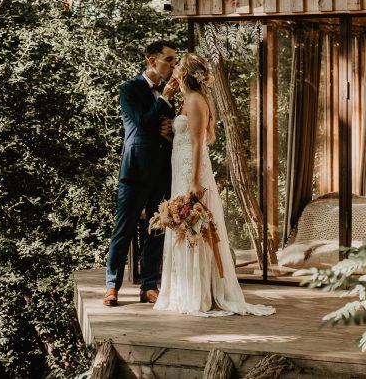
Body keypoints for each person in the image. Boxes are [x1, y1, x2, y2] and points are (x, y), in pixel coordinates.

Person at [154, 53, 275, 317]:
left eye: (177, 67)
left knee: (195, 226)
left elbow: (199, 143)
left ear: (185, 74)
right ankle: (185, 289)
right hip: (181, 165)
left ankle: (199, 293)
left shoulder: (197, 101)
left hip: (191, 170)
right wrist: (172, 133)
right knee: (184, 227)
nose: (173, 70)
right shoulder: (186, 101)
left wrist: (196, 179)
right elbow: (189, 138)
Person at [104, 41, 179, 306]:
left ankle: (149, 285)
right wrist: (166, 98)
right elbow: (142, 121)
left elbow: (163, 127)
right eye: (169, 59)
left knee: (156, 229)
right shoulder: (129, 89)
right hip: (135, 169)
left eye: (174, 60)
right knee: (123, 228)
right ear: (151, 60)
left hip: (162, 169)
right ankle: (112, 286)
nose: (173, 65)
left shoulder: (168, 93)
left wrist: (170, 128)